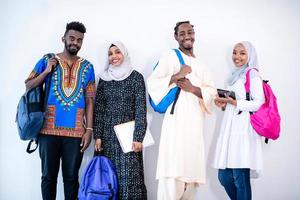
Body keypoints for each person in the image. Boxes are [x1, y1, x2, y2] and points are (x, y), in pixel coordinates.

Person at [25, 21, 95, 200]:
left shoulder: (88, 67)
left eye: (79, 40)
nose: (75, 43)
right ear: (63, 38)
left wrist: (89, 130)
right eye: (72, 38)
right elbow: (28, 85)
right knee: (48, 177)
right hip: (47, 130)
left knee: (71, 179)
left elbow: (90, 101)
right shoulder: (47, 59)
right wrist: (46, 71)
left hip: (76, 132)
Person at [147, 21, 216, 200]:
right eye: (183, 33)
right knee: (171, 177)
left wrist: (193, 88)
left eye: (190, 32)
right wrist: (178, 75)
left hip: (195, 128)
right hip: (175, 126)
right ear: (176, 37)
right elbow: (153, 83)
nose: (187, 36)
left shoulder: (202, 65)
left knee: (190, 182)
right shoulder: (169, 57)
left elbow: (212, 94)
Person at [93, 41, 148, 199]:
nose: (113, 56)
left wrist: (138, 137)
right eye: (110, 54)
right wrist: (98, 136)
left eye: (117, 52)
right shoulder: (104, 79)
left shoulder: (136, 77)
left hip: (128, 138)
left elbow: (140, 109)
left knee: (130, 180)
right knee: (109, 180)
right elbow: (100, 110)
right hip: (108, 138)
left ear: (124, 53)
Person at [212, 41, 265, 200]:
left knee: (240, 178)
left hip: (243, 131)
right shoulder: (236, 75)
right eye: (235, 52)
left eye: (242, 53)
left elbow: (258, 103)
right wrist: (223, 104)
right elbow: (234, 101)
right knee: (224, 177)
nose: (237, 56)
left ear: (250, 55)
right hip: (230, 129)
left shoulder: (252, 74)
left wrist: (234, 103)